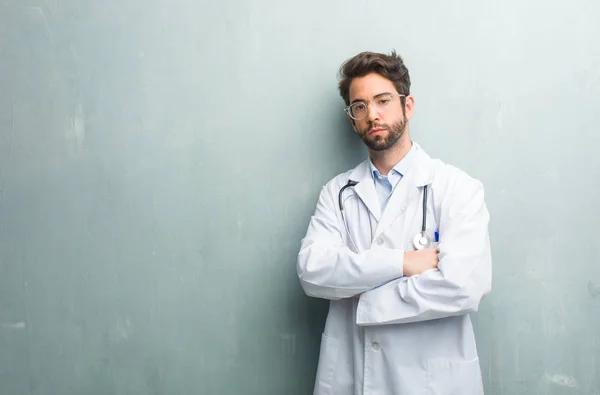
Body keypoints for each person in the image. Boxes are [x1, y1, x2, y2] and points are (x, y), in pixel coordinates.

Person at [296, 51, 492, 395]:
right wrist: (403, 263)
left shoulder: (457, 188)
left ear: (408, 105)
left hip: (430, 380)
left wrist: (361, 295)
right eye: (360, 106)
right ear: (352, 119)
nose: (372, 114)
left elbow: (463, 286)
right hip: (351, 376)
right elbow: (313, 272)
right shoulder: (337, 193)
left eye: (382, 100)